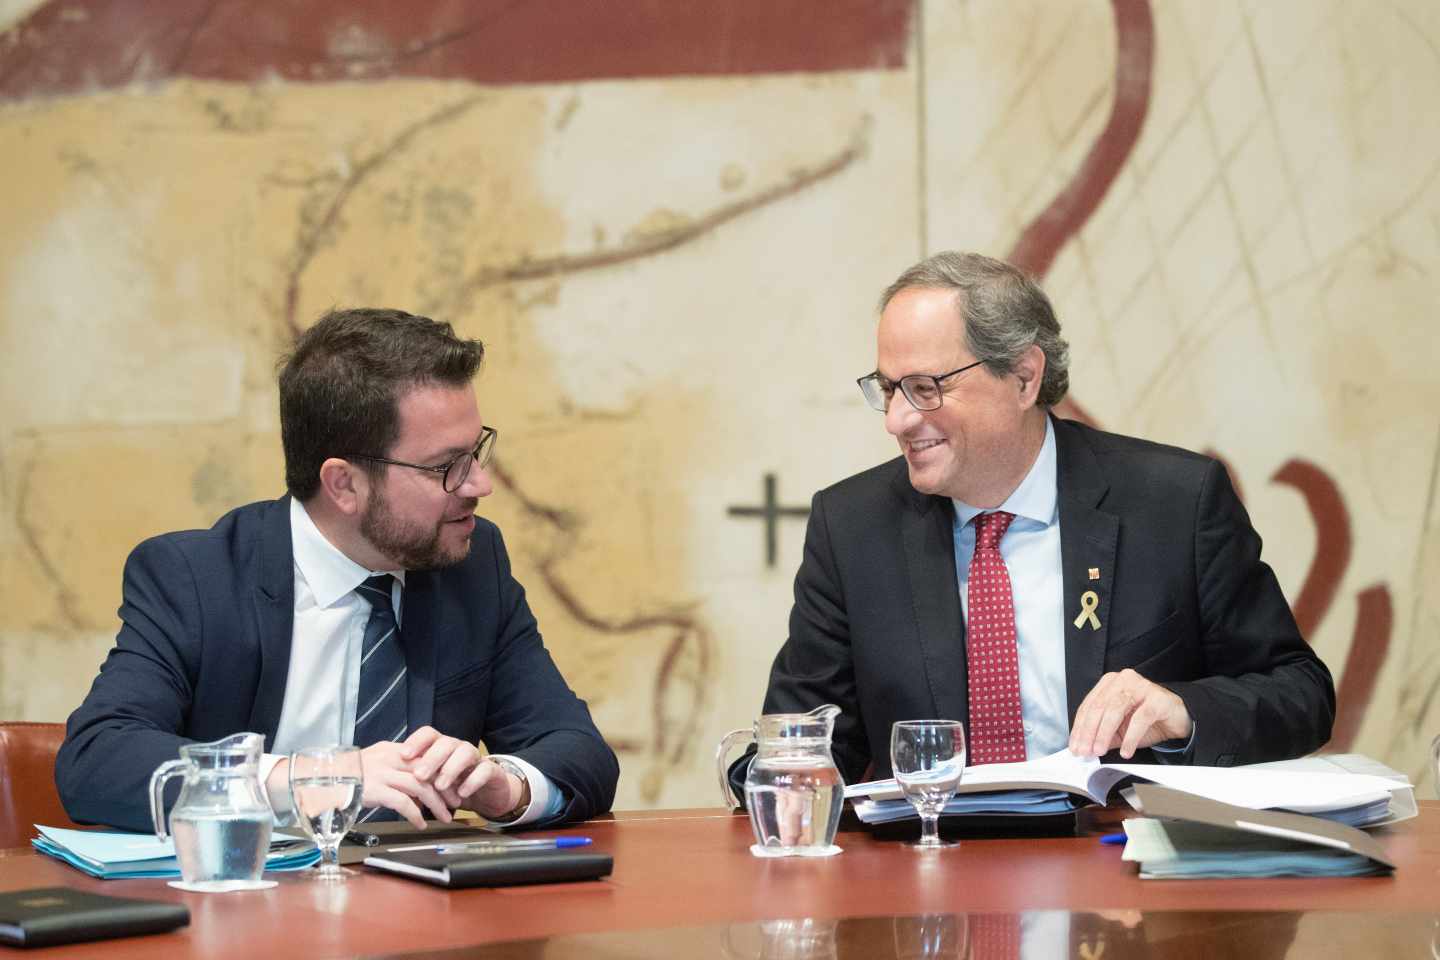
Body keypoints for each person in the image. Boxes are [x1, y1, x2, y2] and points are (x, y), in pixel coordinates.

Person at [749, 252, 1334, 787]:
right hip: (931, 870)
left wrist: (1184, 711)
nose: (898, 420)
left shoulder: (1175, 502)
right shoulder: (853, 528)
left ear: (1024, 378)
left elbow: (1301, 694)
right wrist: (764, 772)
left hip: (1123, 868)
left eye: (925, 389)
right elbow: (806, 740)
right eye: (889, 389)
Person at [57, 308, 618, 832]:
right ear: (343, 484)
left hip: (423, 920)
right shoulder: (198, 579)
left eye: (476, 452)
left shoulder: (471, 564)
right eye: (446, 466)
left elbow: (578, 751)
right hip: (242, 918)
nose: (478, 485)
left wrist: (505, 786)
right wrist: (311, 779)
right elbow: (97, 759)